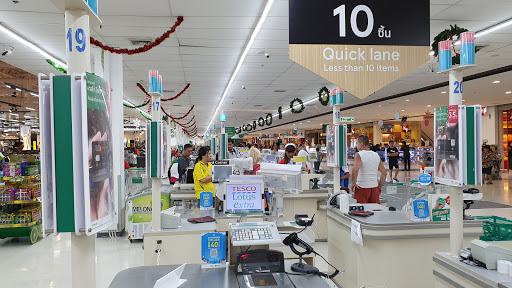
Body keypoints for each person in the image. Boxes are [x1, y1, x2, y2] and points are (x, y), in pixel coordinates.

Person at [351, 135, 387, 204]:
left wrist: (353, 183)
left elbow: (355, 169)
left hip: (361, 187)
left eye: (357, 143)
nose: (356, 145)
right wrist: (379, 186)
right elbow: (384, 173)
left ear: (362, 143)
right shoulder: (376, 155)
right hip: (374, 187)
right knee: (375, 211)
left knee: (360, 211)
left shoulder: (359, 154)